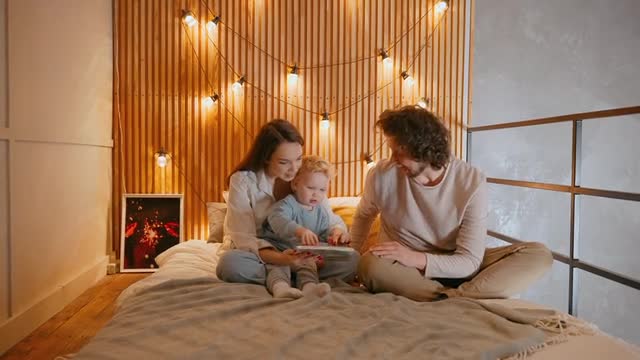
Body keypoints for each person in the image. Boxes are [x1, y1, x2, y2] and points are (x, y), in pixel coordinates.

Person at [352, 106, 553, 301]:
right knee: (369, 266)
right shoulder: (381, 176)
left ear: (424, 149)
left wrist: (417, 258)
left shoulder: (471, 182)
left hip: (456, 263)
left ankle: (449, 297)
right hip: (405, 270)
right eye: (391, 150)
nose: (393, 158)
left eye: (400, 151)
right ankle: (470, 296)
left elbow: (469, 261)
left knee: (538, 255)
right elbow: (363, 215)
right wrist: (352, 258)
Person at [216, 119, 359, 285]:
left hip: (303, 253)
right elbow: (244, 238)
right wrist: (284, 260)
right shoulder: (242, 181)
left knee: (353, 260)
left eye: (298, 159)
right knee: (229, 264)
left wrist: (338, 232)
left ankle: (289, 274)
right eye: (284, 162)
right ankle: (293, 273)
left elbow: (329, 218)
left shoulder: (305, 174)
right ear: (266, 158)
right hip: (263, 254)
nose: (294, 168)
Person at [260, 155, 351, 298]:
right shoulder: (288, 204)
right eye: (310, 188)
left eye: (322, 190)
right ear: (295, 184)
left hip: (303, 255)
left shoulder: (321, 210)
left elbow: (334, 223)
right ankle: (281, 288)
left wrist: (337, 232)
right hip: (281, 251)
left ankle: (309, 287)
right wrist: (299, 230)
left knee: (310, 264)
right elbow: (277, 218)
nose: (316, 194)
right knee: (278, 267)